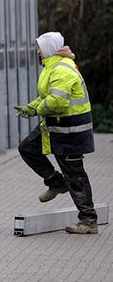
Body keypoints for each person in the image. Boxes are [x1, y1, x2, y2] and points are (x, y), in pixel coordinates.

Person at [14, 32, 97, 234]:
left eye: (40, 47)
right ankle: (56, 182)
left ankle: (88, 221)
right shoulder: (52, 67)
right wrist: (32, 106)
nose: (37, 51)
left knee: (75, 176)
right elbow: (48, 96)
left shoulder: (62, 69)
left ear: (49, 49)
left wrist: (36, 109)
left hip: (70, 131)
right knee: (27, 148)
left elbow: (57, 101)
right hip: (55, 128)